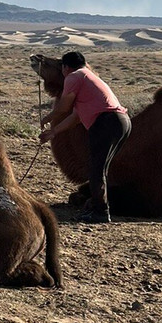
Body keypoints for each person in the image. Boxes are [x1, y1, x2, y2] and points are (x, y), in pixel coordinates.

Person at [39, 50, 131, 223]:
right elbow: (76, 117)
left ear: (65, 67)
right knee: (101, 169)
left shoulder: (74, 77)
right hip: (122, 122)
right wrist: (54, 132)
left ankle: (100, 212)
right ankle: (99, 208)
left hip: (106, 123)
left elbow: (64, 108)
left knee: (96, 169)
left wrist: (47, 118)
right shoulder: (88, 78)